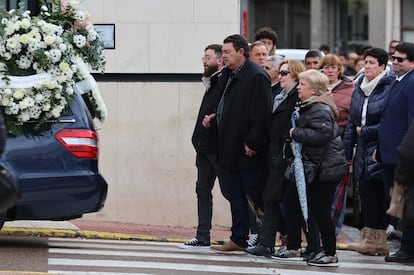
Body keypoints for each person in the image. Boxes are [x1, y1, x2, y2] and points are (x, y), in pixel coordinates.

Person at [210, 34, 272, 252]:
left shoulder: (256, 76)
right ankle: (238, 238)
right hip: (228, 147)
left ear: (240, 52)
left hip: (247, 150)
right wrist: (214, 117)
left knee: (258, 195)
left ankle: (284, 235)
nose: (223, 56)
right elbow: (227, 105)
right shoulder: (228, 74)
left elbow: (262, 114)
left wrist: (253, 142)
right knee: (235, 195)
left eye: (227, 52)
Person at [245, 60, 306, 258]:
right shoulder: (279, 96)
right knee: (270, 199)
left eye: (285, 73)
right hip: (275, 155)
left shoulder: (296, 97)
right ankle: (268, 243)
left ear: (296, 75)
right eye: (279, 72)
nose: (280, 76)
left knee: (288, 203)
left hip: (287, 156)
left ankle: (298, 245)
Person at [289, 69, 348, 267]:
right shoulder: (311, 105)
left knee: (322, 211)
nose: (298, 88)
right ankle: (319, 249)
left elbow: (321, 136)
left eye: (302, 85)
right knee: (316, 209)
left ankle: (330, 253)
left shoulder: (319, 108)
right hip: (320, 167)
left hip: (327, 168)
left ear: (314, 89)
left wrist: (295, 132)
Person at [343, 48, 395, 256]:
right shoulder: (359, 87)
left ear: (382, 67)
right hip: (361, 150)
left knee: (379, 195)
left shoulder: (389, 87)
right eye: (366, 62)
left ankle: (379, 242)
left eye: (372, 63)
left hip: (379, 149)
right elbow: (351, 123)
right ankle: (369, 240)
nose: (367, 66)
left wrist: (365, 131)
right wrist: (347, 151)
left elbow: (390, 122)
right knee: (365, 192)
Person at [179, 44, 225, 248]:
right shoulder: (211, 81)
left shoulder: (224, 80)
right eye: (203, 57)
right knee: (202, 190)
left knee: (230, 190)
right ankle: (202, 234)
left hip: (217, 146)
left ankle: (255, 229)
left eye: (208, 58)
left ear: (219, 60)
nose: (204, 61)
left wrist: (213, 120)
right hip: (204, 146)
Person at [374, 42, 414, 263]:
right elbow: (388, 118)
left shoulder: (412, 82)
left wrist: (407, 154)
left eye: (400, 59)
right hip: (389, 154)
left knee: (407, 203)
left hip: (403, 156)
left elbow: (411, 122)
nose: (394, 62)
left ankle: (408, 248)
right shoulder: (398, 81)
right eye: (393, 58)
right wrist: (379, 150)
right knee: (398, 202)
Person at [319, 54, 354, 235]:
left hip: (339, 142)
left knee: (337, 190)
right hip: (317, 144)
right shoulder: (317, 86)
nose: (330, 70)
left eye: (333, 67)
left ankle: (333, 230)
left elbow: (352, 120)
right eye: (326, 67)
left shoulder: (350, 89)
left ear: (339, 69)